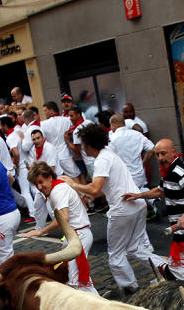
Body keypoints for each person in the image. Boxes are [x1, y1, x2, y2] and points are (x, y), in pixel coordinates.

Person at [62, 124, 157, 293]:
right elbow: (98, 191)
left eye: (83, 144)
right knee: (136, 248)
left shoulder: (102, 160)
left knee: (115, 254)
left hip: (123, 209)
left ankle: (130, 288)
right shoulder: (110, 155)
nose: (82, 147)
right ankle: (168, 272)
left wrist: (73, 184)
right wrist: (84, 192)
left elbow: (95, 189)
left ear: (89, 145)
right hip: (137, 205)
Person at [123, 139, 184, 282]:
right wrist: (139, 195)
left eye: (163, 154)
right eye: (157, 155)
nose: (160, 158)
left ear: (173, 152)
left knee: (177, 269)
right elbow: (160, 191)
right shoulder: (169, 170)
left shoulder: (179, 171)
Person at [24, 161, 99, 295]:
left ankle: (100, 308)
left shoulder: (57, 191)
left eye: (41, 182)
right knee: (75, 277)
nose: (40, 187)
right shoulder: (54, 189)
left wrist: (41, 231)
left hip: (79, 236)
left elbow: (63, 218)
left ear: (49, 177)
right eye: (36, 184)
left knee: (74, 279)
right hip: (74, 236)